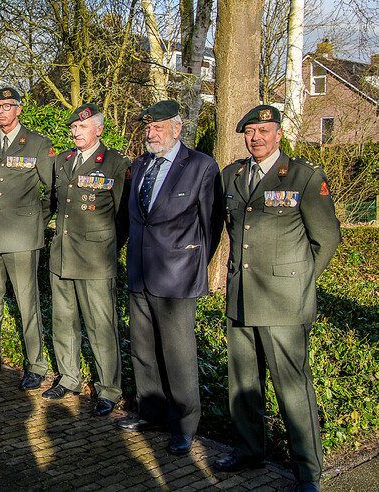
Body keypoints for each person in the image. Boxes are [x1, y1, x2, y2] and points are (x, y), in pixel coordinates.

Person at [214, 105, 340, 492]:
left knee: (292, 387)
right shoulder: (232, 175)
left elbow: (327, 238)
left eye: (264, 130)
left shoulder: (303, 175)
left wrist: (299, 281)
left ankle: (308, 471)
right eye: (250, 131)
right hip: (241, 296)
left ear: (278, 133)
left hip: (284, 301)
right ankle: (251, 450)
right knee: (243, 383)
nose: (256, 137)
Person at [115, 100, 223, 455]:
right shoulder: (140, 165)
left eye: (159, 127)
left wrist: (194, 264)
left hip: (177, 278)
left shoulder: (201, 167)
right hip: (140, 274)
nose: (151, 132)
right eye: (148, 126)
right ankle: (151, 412)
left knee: (178, 356)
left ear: (177, 129)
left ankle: (184, 424)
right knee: (144, 350)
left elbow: (212, 224)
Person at [42, 103, 128, 417]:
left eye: (84, 126)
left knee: (100, 326)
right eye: (74, 128)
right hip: (62, 256)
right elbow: (51, 203)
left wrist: (107, 249)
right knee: (64, 322)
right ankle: (69, 377)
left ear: (99, 129)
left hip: (95, 261)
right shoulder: (63, 161)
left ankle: (108, 389)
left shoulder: (115, 163)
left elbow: (123, 217)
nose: (77, 132)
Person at [0, 87, 55, 390]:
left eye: (8, 105)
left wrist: (36, 220)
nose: (1, 110)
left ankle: (36, 364)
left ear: (19, 109)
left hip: (22, 237)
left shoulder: (38, 144)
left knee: (27, 302)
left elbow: (53, 189)